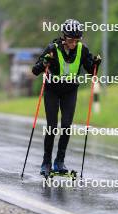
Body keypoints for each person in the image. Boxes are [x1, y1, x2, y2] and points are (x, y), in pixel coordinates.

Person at [32, 19, 101, 177]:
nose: (74, 43)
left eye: (77, 39)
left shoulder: (82, 50)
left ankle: (59, 161)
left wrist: (96, 64)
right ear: (64, 37)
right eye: (71, 39)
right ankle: (46, 162)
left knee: (67, 125)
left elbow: (92, 71)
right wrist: (45, 62)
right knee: (52, 125)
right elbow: (35, 70)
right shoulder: (52, 48)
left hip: (70, 91)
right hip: (52, 90)